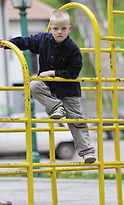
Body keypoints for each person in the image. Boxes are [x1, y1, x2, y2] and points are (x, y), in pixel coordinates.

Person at [0, 9, 96, 163]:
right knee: (34, 85)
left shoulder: (73, 49)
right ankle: (56, 107)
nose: (59, 32)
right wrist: (6, 44)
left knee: (77, 121)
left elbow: (73, 73)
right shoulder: (42, 40)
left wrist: (53, 72)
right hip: (49, 90)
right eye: (56, 28)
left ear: (69, 29)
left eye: (63, 28)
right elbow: (25, 42)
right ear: (50, 28)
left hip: (69, 91)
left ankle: (87, 152)